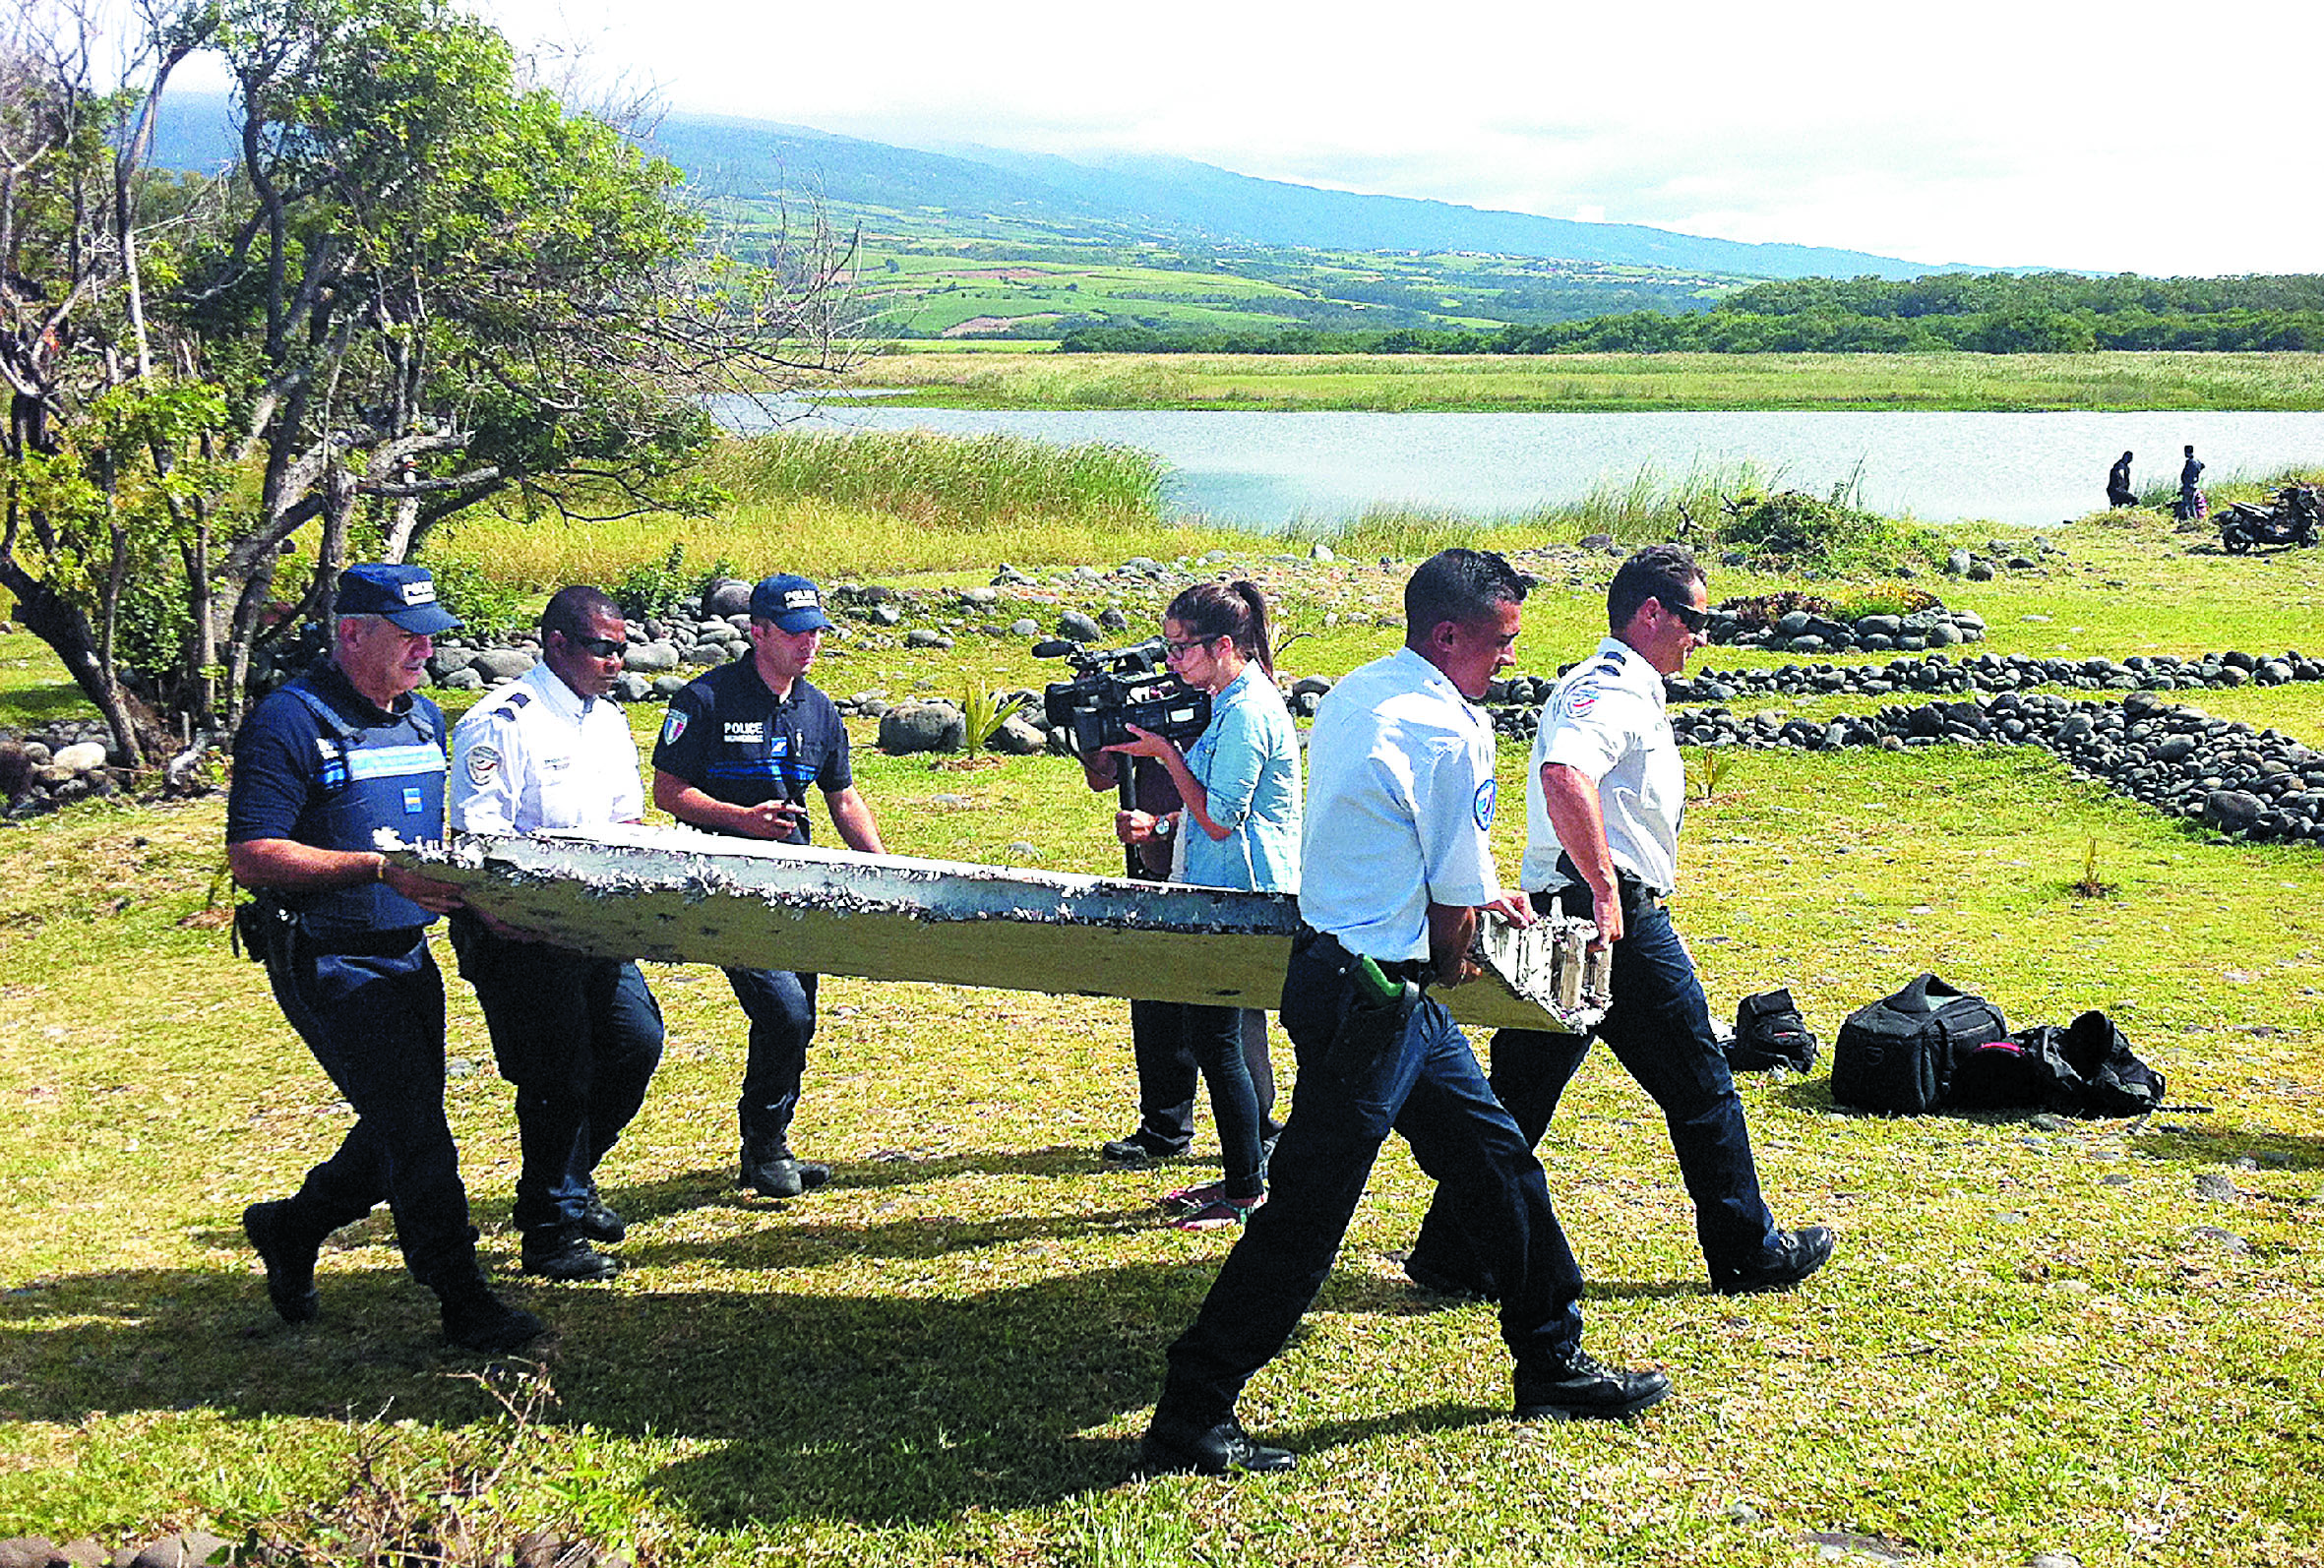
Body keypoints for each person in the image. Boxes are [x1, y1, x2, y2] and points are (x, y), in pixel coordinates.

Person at [1137, 549, 1670, 1478]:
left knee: (1499, 1162)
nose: (1512, 658)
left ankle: (1550, 1357)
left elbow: (1403, 842)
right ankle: (1193, 1407)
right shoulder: (1451, 733)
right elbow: (1451, 915)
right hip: (1378, 996)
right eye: (1502, 641)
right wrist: (1472, 935)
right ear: (1451, 634)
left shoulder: (1357, 691)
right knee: (1307, 1208)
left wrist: (1468, 895)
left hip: (1344, 974)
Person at [1400, 544, 1834, 1303]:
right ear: (1651, 613)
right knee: (1701, 1085)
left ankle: (1453, 1252)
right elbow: (1565, 774)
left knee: (1521, 1094)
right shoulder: (1611, 691)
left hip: (1578, 906)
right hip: (1609, 915)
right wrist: (1604, 889)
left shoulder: (1626, 688)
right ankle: (1747, 1249)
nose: (1701, 635)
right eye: (1693, 619)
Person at [227, 564, 542, 1354]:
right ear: (352, 633)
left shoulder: (425, 720)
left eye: (430, 633)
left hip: (408, 950)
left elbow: (428, 845)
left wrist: (477, 898)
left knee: (395, 1122)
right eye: (407, 635)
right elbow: (253, 854)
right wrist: (372, 870)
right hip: (328, 956)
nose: (424, 649)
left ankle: (291, 1226)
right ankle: (461, 1296)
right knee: (416, 1129)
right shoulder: (288, 721)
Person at [448, 585, 666, 1283]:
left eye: (622, 649)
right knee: (557, 1076)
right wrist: (517, 917)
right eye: (603, 648)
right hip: (521, 931)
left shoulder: (606, 722)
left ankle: (570, 1181)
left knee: (635, 1044)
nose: (615, 662)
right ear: (558, 644)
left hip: (594, 926)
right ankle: (548, 1230)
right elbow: (480, 841)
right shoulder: (502, 723)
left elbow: (624, 825)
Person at [650, 573, 887, 1198]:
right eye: (796, 633)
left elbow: (842, 796)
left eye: (816, 632)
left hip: (797, 882)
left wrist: (888, 870)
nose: (809, 644)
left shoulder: (819, 708)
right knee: (781, 1010)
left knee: (799, 1015)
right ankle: (765, 1147)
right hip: (725, 883)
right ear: (758, 633)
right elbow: (668, 793)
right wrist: (743, 821)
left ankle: (767, 1146)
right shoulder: (705, 700)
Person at [1104, 581, 1301, 1232]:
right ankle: (1244, 1175)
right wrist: (1160, 828)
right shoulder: (1229, 701)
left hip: (1244, 893)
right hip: (1219, 887)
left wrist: (1165, 754)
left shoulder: (1248, 711)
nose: (1172, 662)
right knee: (1211, 1037)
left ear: (1223, 646)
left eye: (1181, 648)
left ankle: (1247, 1187)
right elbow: (1209, 815)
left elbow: (1220, 818)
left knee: (1218, 1039)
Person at [2178, 445, 2207, 521]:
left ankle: (2193, 520)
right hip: (2194, 485)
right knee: (2192, 504)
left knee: (2189, 505)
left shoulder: (2191, 462)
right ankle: (2194, 519)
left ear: (2187, 452)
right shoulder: (2197, 461)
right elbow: (2202, 466)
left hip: (2189, 486)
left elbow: (2187, 475)